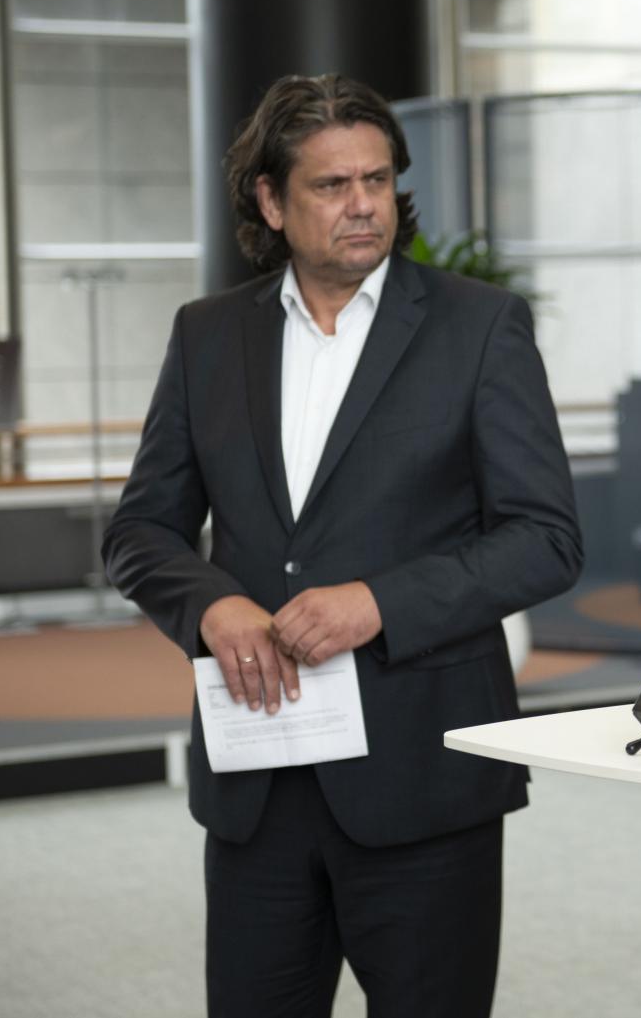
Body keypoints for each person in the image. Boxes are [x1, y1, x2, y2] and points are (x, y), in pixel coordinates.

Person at [103, 73, 582, 1017]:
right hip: (257, 780)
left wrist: (378, 603)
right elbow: (141, 529)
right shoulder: (207, 336)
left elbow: (546, 539)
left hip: (423, 776)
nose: (363, 203)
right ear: (271, 201)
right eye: (331, 185)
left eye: (376, 179)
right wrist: (211, 606)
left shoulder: (479, 327)